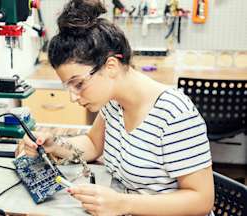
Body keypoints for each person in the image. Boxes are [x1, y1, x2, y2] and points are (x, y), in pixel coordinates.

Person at [22, 0, 214, 215]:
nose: (73, 97)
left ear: (110, 66)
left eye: (78, 84)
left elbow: (201, 200)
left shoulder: (174, 114)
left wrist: (123, 203)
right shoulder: (114, 102)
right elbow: (94, 144)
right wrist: (53, 145)